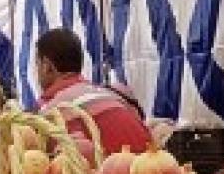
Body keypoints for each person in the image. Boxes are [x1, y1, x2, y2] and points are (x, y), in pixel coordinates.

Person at [33, 27, 150, 159]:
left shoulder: (48, 113)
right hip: (152, 164)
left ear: (47, 66)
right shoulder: (115, 93)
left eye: (37, 64)